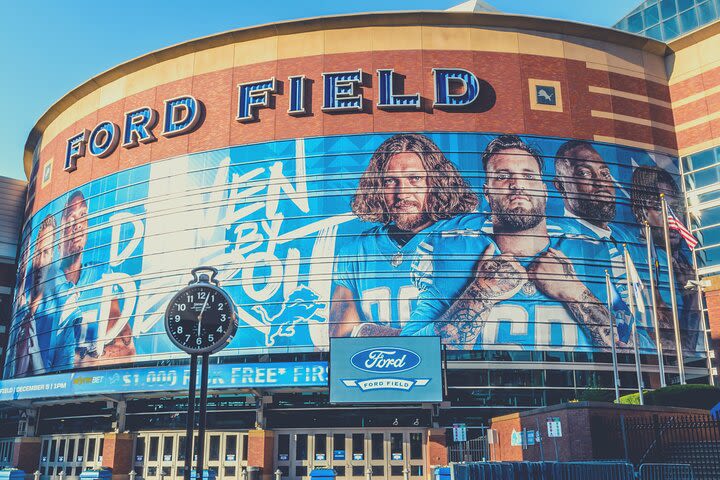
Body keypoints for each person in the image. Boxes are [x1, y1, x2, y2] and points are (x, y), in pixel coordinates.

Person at [403, 134, 612, 350]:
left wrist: (575, 291)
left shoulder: (595, 252)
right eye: (503, 176)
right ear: (487, 192)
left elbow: (636, 348)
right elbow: (411, 350)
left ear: (544, 190)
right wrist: (480, 291)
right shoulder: (448, 253)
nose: (517, 184)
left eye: (528, 176)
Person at [329, 133, 478, 337]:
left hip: (452, 369)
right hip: (380, 367)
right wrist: (422, 338)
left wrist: (366, 331)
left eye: (414, 179)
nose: (402, 193)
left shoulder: (464, 236)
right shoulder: (355, 250)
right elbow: (340, 337)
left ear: (436, 182)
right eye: (391, 181)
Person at [54, 190, 135, 369]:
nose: (78, 224)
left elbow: (127, 351)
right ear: (60, 231)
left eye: (83, 215)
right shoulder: (47, 283)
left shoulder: (100, 274)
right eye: (71, 218)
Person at [630, 166, 699, 354]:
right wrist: (692, 297)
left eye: (675, 208)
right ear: (640, 212)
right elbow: (678, 347)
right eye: (661, 208)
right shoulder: (636, 258)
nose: (672, 218)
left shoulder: (685, 264)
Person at [9, 215, 58, 377]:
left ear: (52, 257)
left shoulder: (56, 315)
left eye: (45, 253)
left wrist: (35, 352)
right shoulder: (20, 311)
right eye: (37, 253)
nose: (39, 261)